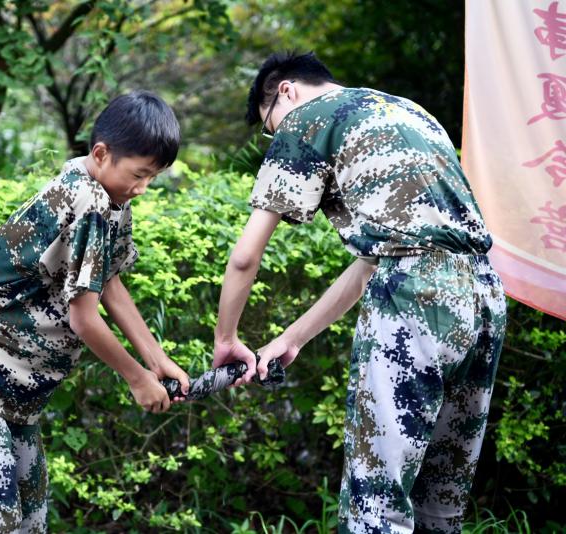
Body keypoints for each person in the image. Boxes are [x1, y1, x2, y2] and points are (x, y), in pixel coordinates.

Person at [212, 52, 506, 533]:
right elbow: (375, 263)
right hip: (485, 294)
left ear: (285, 90)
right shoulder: (408, 112)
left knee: (378, 503)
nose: (277, 137)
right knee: (443, 496)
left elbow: (245, 256)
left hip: (414, 299)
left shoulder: (306, 118)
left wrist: (227, 338)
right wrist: (294, 338)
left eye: (270, 128)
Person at [0, 91, 190, 533]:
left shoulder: (110, 199)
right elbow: (84, 317)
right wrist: (137, 378)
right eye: (139, 174)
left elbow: (109, 284)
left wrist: (157, 360)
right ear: (100, 154)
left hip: (13, 386)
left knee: (29, 520)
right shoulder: (86, 202)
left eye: (152, 178)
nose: (142, 188)